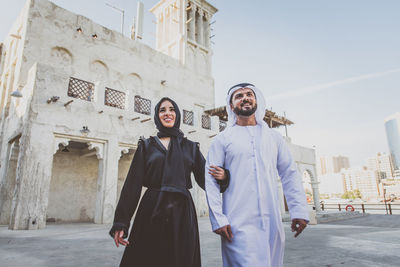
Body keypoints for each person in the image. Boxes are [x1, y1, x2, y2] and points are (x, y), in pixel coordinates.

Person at [109, 97, 229, 267]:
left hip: (182, 212)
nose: (167, 113)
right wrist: (121, 222)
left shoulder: (191, 147)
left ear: (177, 114)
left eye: (172, 109)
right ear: (157, 116)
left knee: (180, 258)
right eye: (162, 110)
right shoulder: (147, 145)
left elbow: (207, 181)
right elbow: (132, 185)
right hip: (151, 209)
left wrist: (224, 177)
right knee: (148, 258)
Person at [205, 83, 309, 267]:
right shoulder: (223, 139)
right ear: (231, 106)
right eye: (238, 96)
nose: (245, 98)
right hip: (236, 223)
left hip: (271, 221)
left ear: (257, 100)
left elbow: (289, 174)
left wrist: (299, 210)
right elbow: (210, 180)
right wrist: (218, 219)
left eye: (248, 94)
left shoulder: (274, 138)